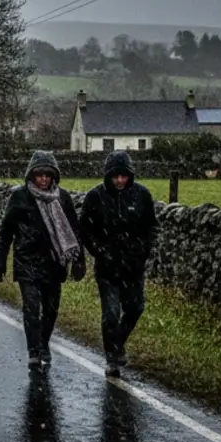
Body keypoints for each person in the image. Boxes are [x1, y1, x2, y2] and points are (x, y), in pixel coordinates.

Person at [0, 151, 86, 371]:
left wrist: (78, 259)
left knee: (52, 309)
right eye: (39, 174)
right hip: (27, 261)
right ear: (31, 175)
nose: (43, 179)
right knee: (31, 308)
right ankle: (34, 351)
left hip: (54, 263)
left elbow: (73, 230)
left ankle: (43, 342)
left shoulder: (62, 198)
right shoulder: (20, 197)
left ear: (53, 176)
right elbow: (6, 230)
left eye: (47, 175)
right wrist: (0, 258)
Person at [80, 150, 159, 377]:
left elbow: (151, 227)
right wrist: (100, 252)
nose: (120, 181)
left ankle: (118, 343)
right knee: (111, 314)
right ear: (108, 175)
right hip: (107, 268)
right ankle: (112, 358)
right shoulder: (95, 196)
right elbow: (85, 229)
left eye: (124, 176)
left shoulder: (141, 195)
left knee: (135, 308)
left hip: (133, 267)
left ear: (130, 175)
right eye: (116, 176)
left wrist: (143, 250)